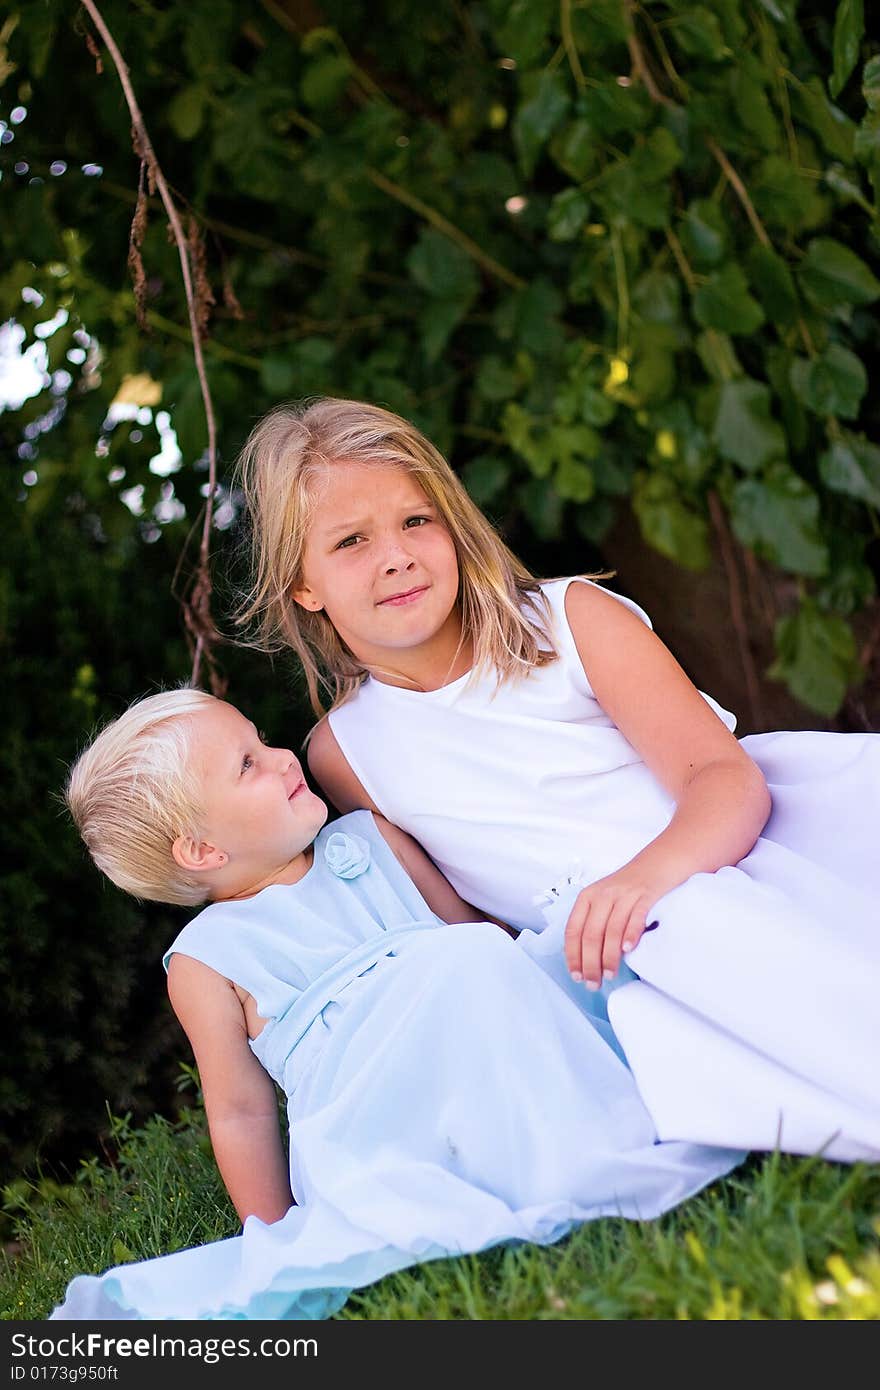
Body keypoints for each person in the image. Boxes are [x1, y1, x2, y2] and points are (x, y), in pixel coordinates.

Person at [235, 397, 880, 1164]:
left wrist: (641, 884)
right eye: (350, 542)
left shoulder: (572, 623)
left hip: (715, 859)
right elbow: (463, 919)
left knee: (740, 945)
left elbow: (725, 780)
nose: (397, 556)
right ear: (302, 587)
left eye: (416, 521)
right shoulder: (344, 753)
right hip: (590, 961)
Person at [51, 689, 742, 1321]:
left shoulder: (370, 841)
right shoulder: (209, 959)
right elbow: (240, 1108)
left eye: (262, 741)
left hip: (475, 1036)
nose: (283, 758)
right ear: (202, 849)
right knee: (456, 968)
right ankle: (538, 1158)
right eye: (248, 766)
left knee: (476, 961)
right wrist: (275, 1233)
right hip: (372, 1107)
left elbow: (476, 937)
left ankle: (585, 1117)